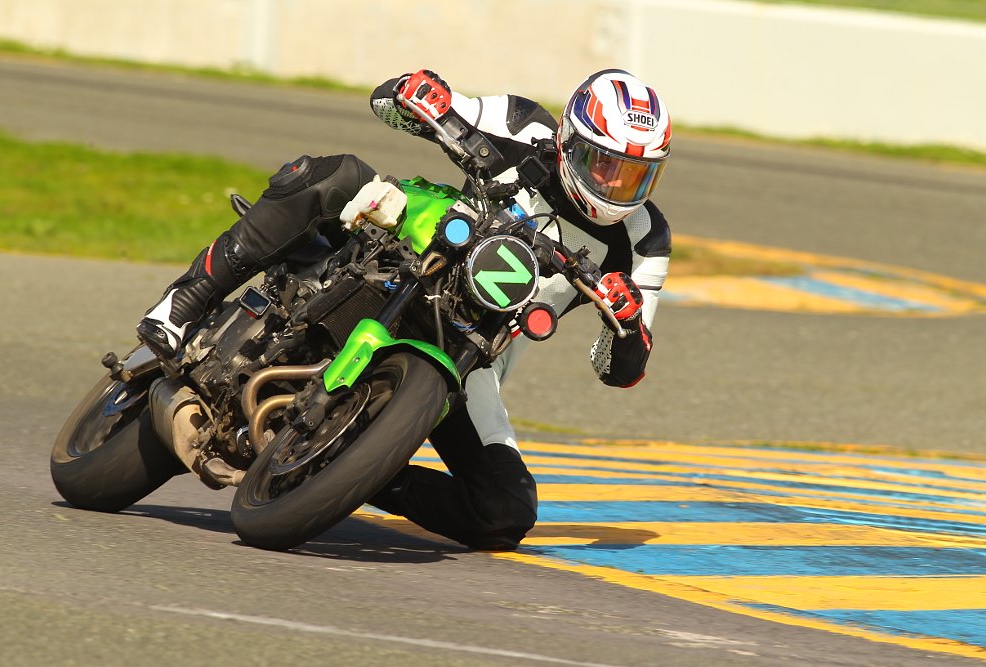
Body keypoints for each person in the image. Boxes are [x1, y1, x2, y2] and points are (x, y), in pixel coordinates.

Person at [137, 68, 673, 551]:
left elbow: (619, 369)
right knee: (333, 174)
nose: (613, 185)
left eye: (634, 175)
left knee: (506, 511)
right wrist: (423, 97)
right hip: (421, 242)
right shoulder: (520, 123)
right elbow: (387, 100)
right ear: (568, 140)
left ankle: (359, 469)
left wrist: (625, 326)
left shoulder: (646, 240)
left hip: (472, 353)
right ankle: (182, 302)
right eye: (603, 164)